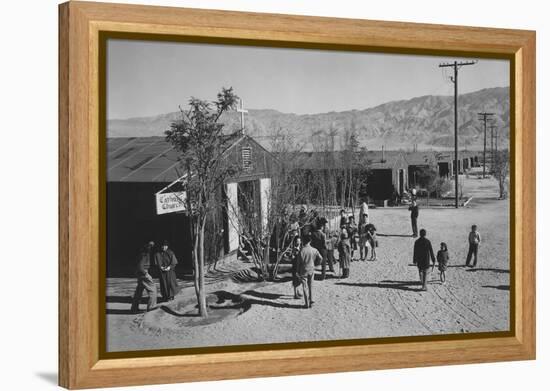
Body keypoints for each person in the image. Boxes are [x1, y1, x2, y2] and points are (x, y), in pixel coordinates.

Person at [295, 234, 322, 308]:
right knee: (311, 285)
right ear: (310, 241)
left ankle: (306, 303)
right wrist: (317, 264)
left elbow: (298, 263)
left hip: (303, 269)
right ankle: (311, 300)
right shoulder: (314, 250)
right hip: (311, 268)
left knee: (304, 287)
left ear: (303, 241)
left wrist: (297, 271)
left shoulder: (302, 251)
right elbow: (320, 258)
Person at [130, 241, 158, 313]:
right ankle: (151, 308)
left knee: (139, 291)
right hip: (143, 273)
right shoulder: (145, 254)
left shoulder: (142, 253)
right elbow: (140, 266)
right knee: (153, 289)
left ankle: (134, 308)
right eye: (150, 246)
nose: (151, 247)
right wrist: (146, 274)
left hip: (140, 274)